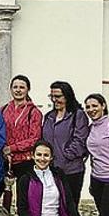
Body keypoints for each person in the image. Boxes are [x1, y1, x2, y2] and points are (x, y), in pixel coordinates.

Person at [41, 81, 89, 209]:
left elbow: (80, 140)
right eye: (52, 96)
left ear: (67, 96)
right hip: (51, 169)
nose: (54, 100)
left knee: (69, 207)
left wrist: (65, 155)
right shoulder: (49, 117)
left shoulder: (78, 115)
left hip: (71, 170)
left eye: (58, 96)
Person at [2, 75, 43, 183]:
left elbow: (34, 139)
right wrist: (4, 150)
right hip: (5, 159)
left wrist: (12, 148)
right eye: (15, 87)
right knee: (5, 195)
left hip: (25, 161)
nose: (18, 90)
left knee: (24, 196)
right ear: (10, 89)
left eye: (22, 87)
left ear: (28, 89)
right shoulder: (3, 109)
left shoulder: (34, 112)